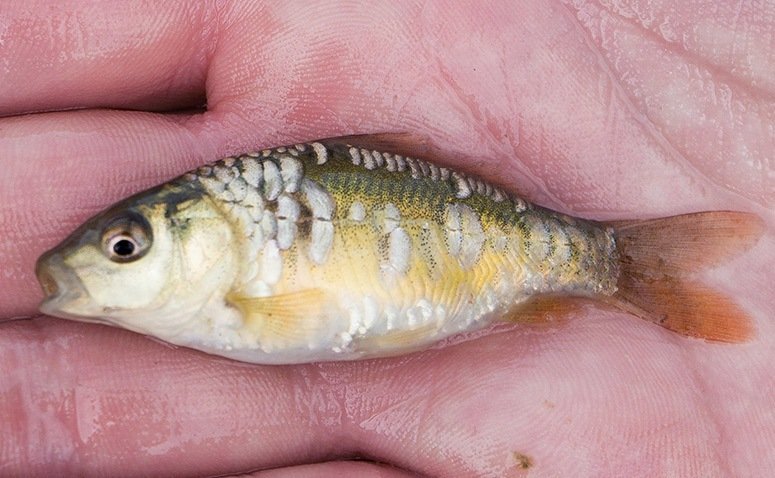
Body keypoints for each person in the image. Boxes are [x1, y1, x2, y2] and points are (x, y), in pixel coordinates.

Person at [0, 2, 772, 476]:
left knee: (588, 256)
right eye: (120, 250)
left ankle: (609, 260)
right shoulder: (212, 291)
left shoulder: (231, 295)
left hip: (459, 264)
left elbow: (296, 323)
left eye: (125, 247)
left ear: (206, 232)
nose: (96, 267)